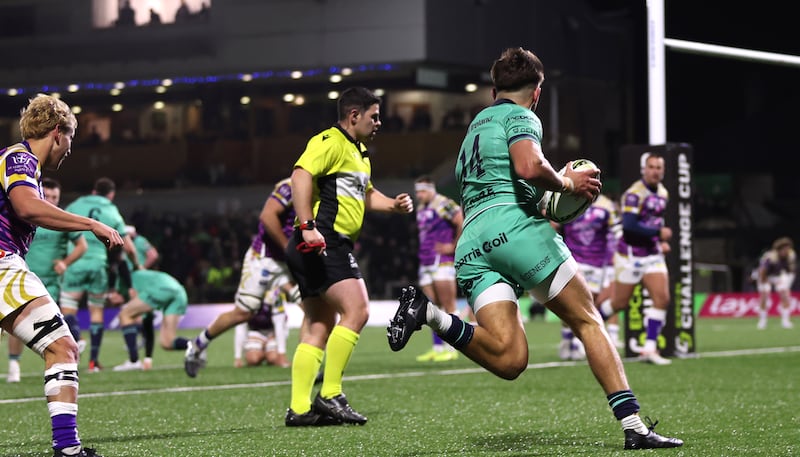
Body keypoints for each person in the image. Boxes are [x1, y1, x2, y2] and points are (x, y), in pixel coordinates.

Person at [387, 48, 682, 450]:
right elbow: (527, 167)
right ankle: (633, 426)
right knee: (588, 321)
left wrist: (547, 200)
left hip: (473, 242)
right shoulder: (523, 116)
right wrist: (566, 185)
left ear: (494, 90)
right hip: (515, 231)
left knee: (510, 360)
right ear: (537, 92)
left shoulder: (474, 127)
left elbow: (502, 186)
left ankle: (431, 315)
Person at [0, 93, 123, 457]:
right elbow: (27, 207)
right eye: (70, 139)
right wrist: (90, 223)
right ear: (58, 132)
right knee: (64, 349)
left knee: (63, 348)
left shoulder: (23, 166)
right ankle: (67, 449)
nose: (69, 149)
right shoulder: (20, 157)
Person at [284, 86, 413, 427]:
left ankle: (299, 409)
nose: (379, 122)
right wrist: (309, 225)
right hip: (323, 241)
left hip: (316, 242)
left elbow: (367, 196)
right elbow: (300, 176)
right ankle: (330, 394)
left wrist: (394, 206)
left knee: (318, 325)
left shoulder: (360, 153)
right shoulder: (329, 141)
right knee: (357, 310)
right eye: (374, 116)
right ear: (354, 116)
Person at [184, 178, 299, 377]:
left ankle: (308, 367)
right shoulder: (290, 186)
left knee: (315, 309)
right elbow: (267, 216)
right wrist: (288, 247)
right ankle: (198, 344)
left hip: (292, 263)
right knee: (243, 313)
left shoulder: (325, 190)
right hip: (264, 259)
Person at [7, 178, 88, 383]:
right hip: (18, 275)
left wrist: (65, 262)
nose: (51, 200)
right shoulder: (25, 213)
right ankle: (14, 364)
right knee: (15, 326)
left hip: (49, 283)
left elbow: (82, 246)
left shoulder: (60, 219)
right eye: (48, 196)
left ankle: (63, 362)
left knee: (55, 329)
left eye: (55, 197)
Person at [598, 152, 673, 365]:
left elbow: (654, 220)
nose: (655, 171)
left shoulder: (663, 193)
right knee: (619, 303)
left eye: (659, 167)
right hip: (629, 255)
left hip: (652, 255)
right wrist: (658, 234)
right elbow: (630, 226)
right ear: (644, 169)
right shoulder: (634, 194)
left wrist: (660, 242)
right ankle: (589, 323)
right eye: (651, 167)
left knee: (662, 299)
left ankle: (649, 349)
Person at [61, 177, 139, 372]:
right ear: (111, 195)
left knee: (68, 309)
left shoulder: (75, 204)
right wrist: (137, 264)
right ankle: (93, 362)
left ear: (94, 191)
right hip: (98, 264)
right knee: (96, 312)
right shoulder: (111, 210)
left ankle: (76, 345)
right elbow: (128, 247)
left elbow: (61, 227)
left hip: (75, 262)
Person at [556, 193, 621, 360]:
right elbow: (556, 221)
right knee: (570, 303)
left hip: (597, 263)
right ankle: (569, 340)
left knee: (589, 302)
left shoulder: (607, 205)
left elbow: (617, 231)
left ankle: (575, 341)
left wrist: (617, 253)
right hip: (571, 257)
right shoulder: (569, 199)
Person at [413, 175, 463, 362]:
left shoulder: (443, 203)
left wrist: (453, 245)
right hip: (425, 260)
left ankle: (453, 348)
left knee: (448, 305)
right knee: (432, 307)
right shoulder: (421, 208)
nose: (419, 195)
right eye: (417, 191)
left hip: (442, 260)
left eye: (422, 191)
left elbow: (461, 220)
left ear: (431, 189)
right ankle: (437, 347)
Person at [110, 269, 190, 371]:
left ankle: (133, 361)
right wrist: (148, 359)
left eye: (110, 296)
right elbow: (148, 323)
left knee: (124, 315)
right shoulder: (143, 280)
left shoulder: (126, 285)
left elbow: (147, 324)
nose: (112, 301)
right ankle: (196, 345)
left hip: (161, 288)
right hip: (178, 291)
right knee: (167, 342)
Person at [233, 288, 290, 368]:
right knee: (253, 359)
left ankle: (268, 352)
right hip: (255, 331)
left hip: (272, 332)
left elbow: (280, 323)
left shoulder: (276, 294)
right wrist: (238, 357)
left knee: (273, 358)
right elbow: (240, 325)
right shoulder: (244, 293)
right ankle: (261, 351)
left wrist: (281, 353)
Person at [755, 237, 796, 329]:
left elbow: (790, 271)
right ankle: (762, 321)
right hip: (765, 277)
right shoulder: (771, 257)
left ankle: (785, 321)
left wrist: (784, 284)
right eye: (785, 249)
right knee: (764, 295)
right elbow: (763, 272)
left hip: (777, 276)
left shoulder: (790, 255)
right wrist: (766, 284)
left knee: (785, 294)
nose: (787, 251)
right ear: (780, 249)